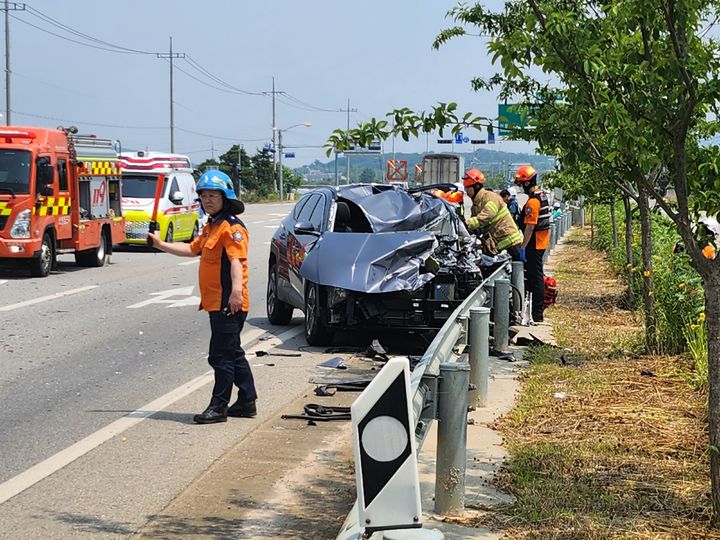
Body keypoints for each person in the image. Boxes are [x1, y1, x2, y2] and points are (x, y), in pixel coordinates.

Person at [148, 170, 257, 424]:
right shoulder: (211, 226)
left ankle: (218, 407)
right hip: (216, 302)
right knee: (233, 352)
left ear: (225, 197)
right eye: (204, 196)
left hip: (228, 302)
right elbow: (192, 249)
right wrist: (160, 244)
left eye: (213, 195)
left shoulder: (231, 227)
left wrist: (236, 293)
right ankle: (247, 400)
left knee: (220, 356)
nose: (208, 200)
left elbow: (236, 262)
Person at [514, 165, 551, 323]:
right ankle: (535, 312)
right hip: (540, 242)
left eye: (521, 184)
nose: (521, 187)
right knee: (535, 276)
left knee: (536, 278)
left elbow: (529, 227)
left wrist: (522, 248)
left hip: (534, 244)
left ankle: (537, 313)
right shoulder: (541, 196)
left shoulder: (533, 202)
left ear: (527, 183)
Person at [462, 168, 524, 260]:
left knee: (518, 268)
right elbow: (478, 228)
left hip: (511, 241)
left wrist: (466, 224)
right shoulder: (475, 205)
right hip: (497, 244)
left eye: (468, 188)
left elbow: (486, 216)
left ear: (477, 186)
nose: (466, 192)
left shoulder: (490, 197)